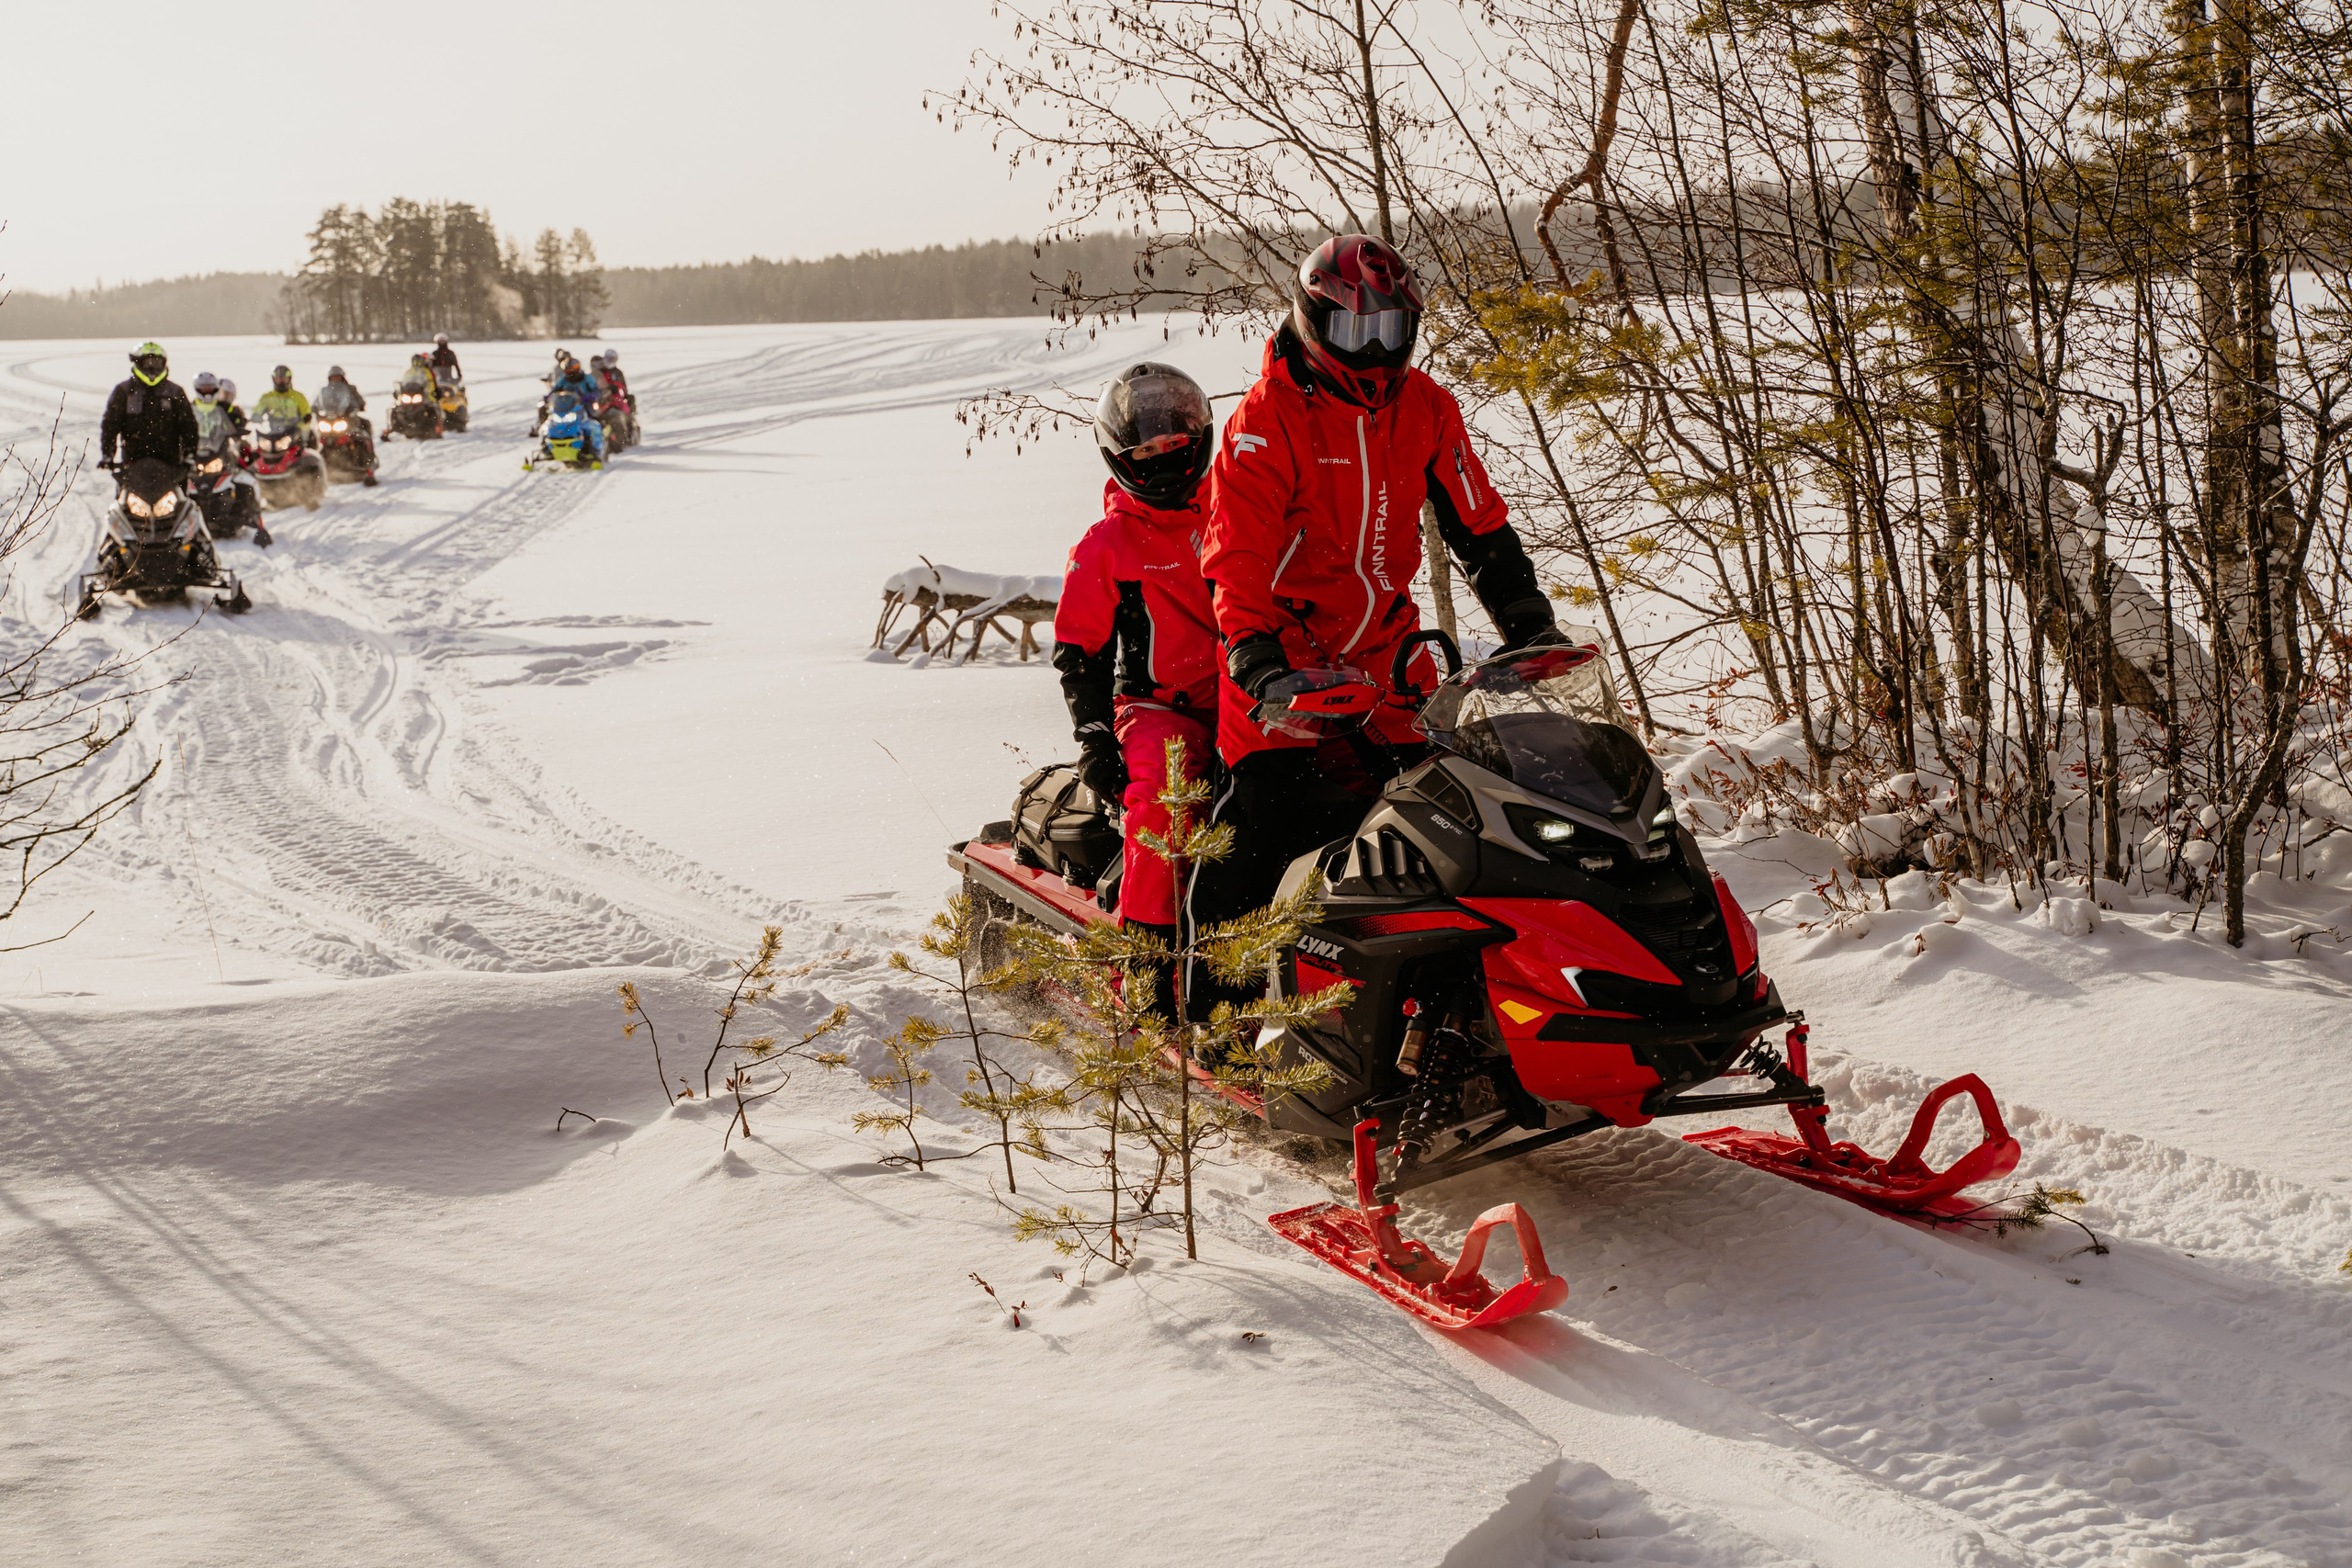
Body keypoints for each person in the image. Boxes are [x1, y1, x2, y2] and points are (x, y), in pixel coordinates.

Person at [1187, 235, 1560, 966]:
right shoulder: (1264, 421)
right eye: (1357, 331)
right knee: (1262, 822)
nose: (1375, 352)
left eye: (1391, 331)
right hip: (1280, 660)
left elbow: (1478, 524)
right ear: (1313, 322)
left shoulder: (1426, 406)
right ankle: (1208, 1006)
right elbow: (1237, 554)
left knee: (1443, 816)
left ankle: (1433, 994)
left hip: (1387, 655)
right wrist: (1254, 654)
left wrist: (1528, 622)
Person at [1051, 363, 1221, 947]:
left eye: (1175, 442)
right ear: (1121, 456)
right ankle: (1146, 962)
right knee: (1164, 805)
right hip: (1160, 712)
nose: (1163, 456)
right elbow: (1079, 651)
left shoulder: (1240, 506)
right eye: (1146, 448)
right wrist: (1096, 741)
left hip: (1253, 697)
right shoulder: (1106, 545)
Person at [98, 342, 198, 471]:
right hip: (132, 464)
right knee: (123, 491)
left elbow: (188, 426)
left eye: (156, 363)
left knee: (183, 490)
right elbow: (110, 425)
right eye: (147, 362)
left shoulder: (175, 392)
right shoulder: (124, 391)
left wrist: (189, 455)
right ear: (138, 362)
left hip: (171, 465)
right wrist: (108, 455)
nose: (152, 367)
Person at [315, 366, 381, 486]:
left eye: (337, 377)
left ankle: (369, 462)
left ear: (342, 377)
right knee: (319, 440)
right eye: (333, 377)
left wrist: (358, 405)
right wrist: (314, 408)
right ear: (329, 378)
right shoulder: (325, 390)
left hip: (347, 418)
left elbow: (359, 401)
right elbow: (317, 402)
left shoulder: (350, 388)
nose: (335, 379)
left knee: (363, 432)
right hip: (330, 420)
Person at [254, 365, 314, 446]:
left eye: (284, 379)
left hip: (294, 431)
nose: (281, 381)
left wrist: (305, 419)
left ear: (289, 379)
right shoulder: (267, 397)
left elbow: (306, 412)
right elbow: (258, 409)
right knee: (259, 449)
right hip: (274, 431)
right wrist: (256, 416)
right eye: (278, 379)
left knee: (309, 444)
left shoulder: (298, 397)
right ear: (274, 380)